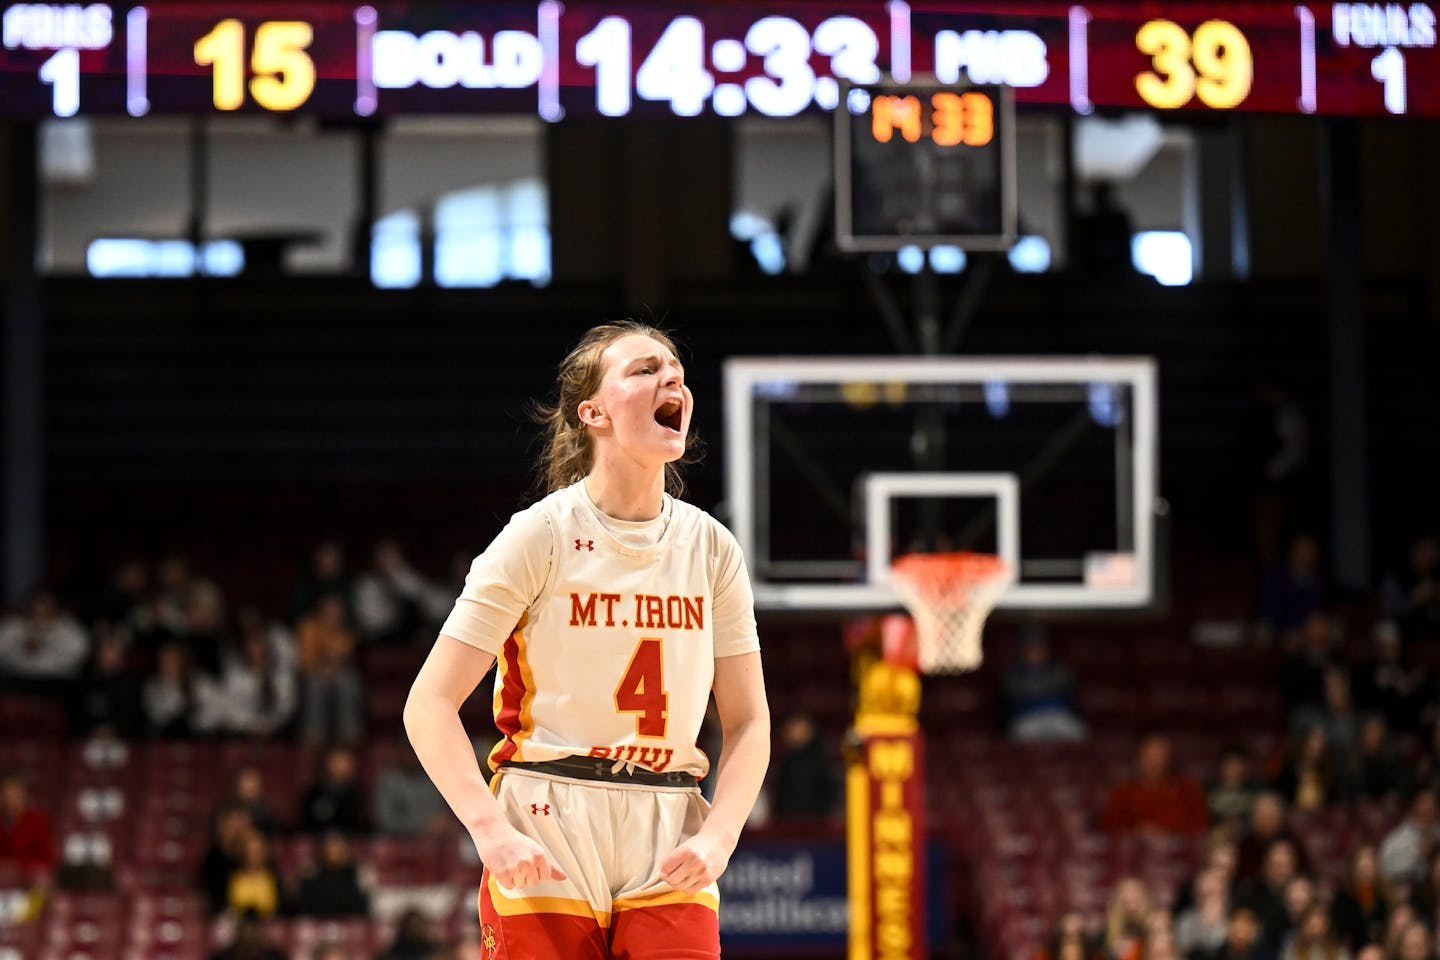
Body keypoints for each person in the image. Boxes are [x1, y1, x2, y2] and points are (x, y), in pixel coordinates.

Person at [404, 322, 770, 960]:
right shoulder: (538, 536)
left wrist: (722, 835)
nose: (672, 378)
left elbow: (749, 721)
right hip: (548, 815)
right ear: (593, 412)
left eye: (677, 369)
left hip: (668, 818)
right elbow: (428, 704)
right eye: (645, 369)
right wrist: (489, 831)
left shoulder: (712, 548)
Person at [1099, 733, 1209, 834]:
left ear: (1169, 759)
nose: (1154, 762)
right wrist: (1137, 831)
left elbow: (1201, 826)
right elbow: (1109, 827)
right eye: (1149, 756)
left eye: (1159, 756)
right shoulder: (1123, 792)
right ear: (1139, 758)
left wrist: (1168, 831)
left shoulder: (1188, 790)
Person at [1001, 628, 1087, 743]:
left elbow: (1068, 691)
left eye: (1039, 650)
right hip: (1027, 717)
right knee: (1020, 734)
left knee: (1078, 732)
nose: (1036, 654)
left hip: (1057, 716)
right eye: (1032, 650)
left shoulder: (1058, 670)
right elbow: (1010, 697)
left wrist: (1033, 691)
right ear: (1024, 652)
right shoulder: (1014, 674)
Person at [770, 712, 840, 820]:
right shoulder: (786, 760)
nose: (793, 731)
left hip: (817, 824)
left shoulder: (820, 758)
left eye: (798, 727)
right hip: (788, 823)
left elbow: (831, 794)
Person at [290, 831, 371, 918]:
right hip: (318, 924)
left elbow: (359, 908)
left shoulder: (354, 873)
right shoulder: (312, 874)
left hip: (348, 924)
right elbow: (305, 908)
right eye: (330, 845)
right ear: (323, 849)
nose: (334, 850)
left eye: (337, 845)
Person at [1379, 789, 1440, 885]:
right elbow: (1387, 875)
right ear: (1414, 806)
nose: (1429, 807)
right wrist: (1418, 857)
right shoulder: (1394, 841)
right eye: (1424, 803)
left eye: (1433, 803)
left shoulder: (1437, 834)